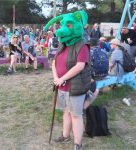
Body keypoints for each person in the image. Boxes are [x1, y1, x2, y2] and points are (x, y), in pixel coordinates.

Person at [44, 11, 91, 150]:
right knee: (66, 111)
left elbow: (80, 66)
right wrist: (56, 78)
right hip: (62, 86)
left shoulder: (82, 45)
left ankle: (78, 144)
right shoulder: (63, 43)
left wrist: (62, 78)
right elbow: (54, 62)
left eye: (68, 25)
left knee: (76, 115)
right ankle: (65, 136)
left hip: (75, 86)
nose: (62, 29)